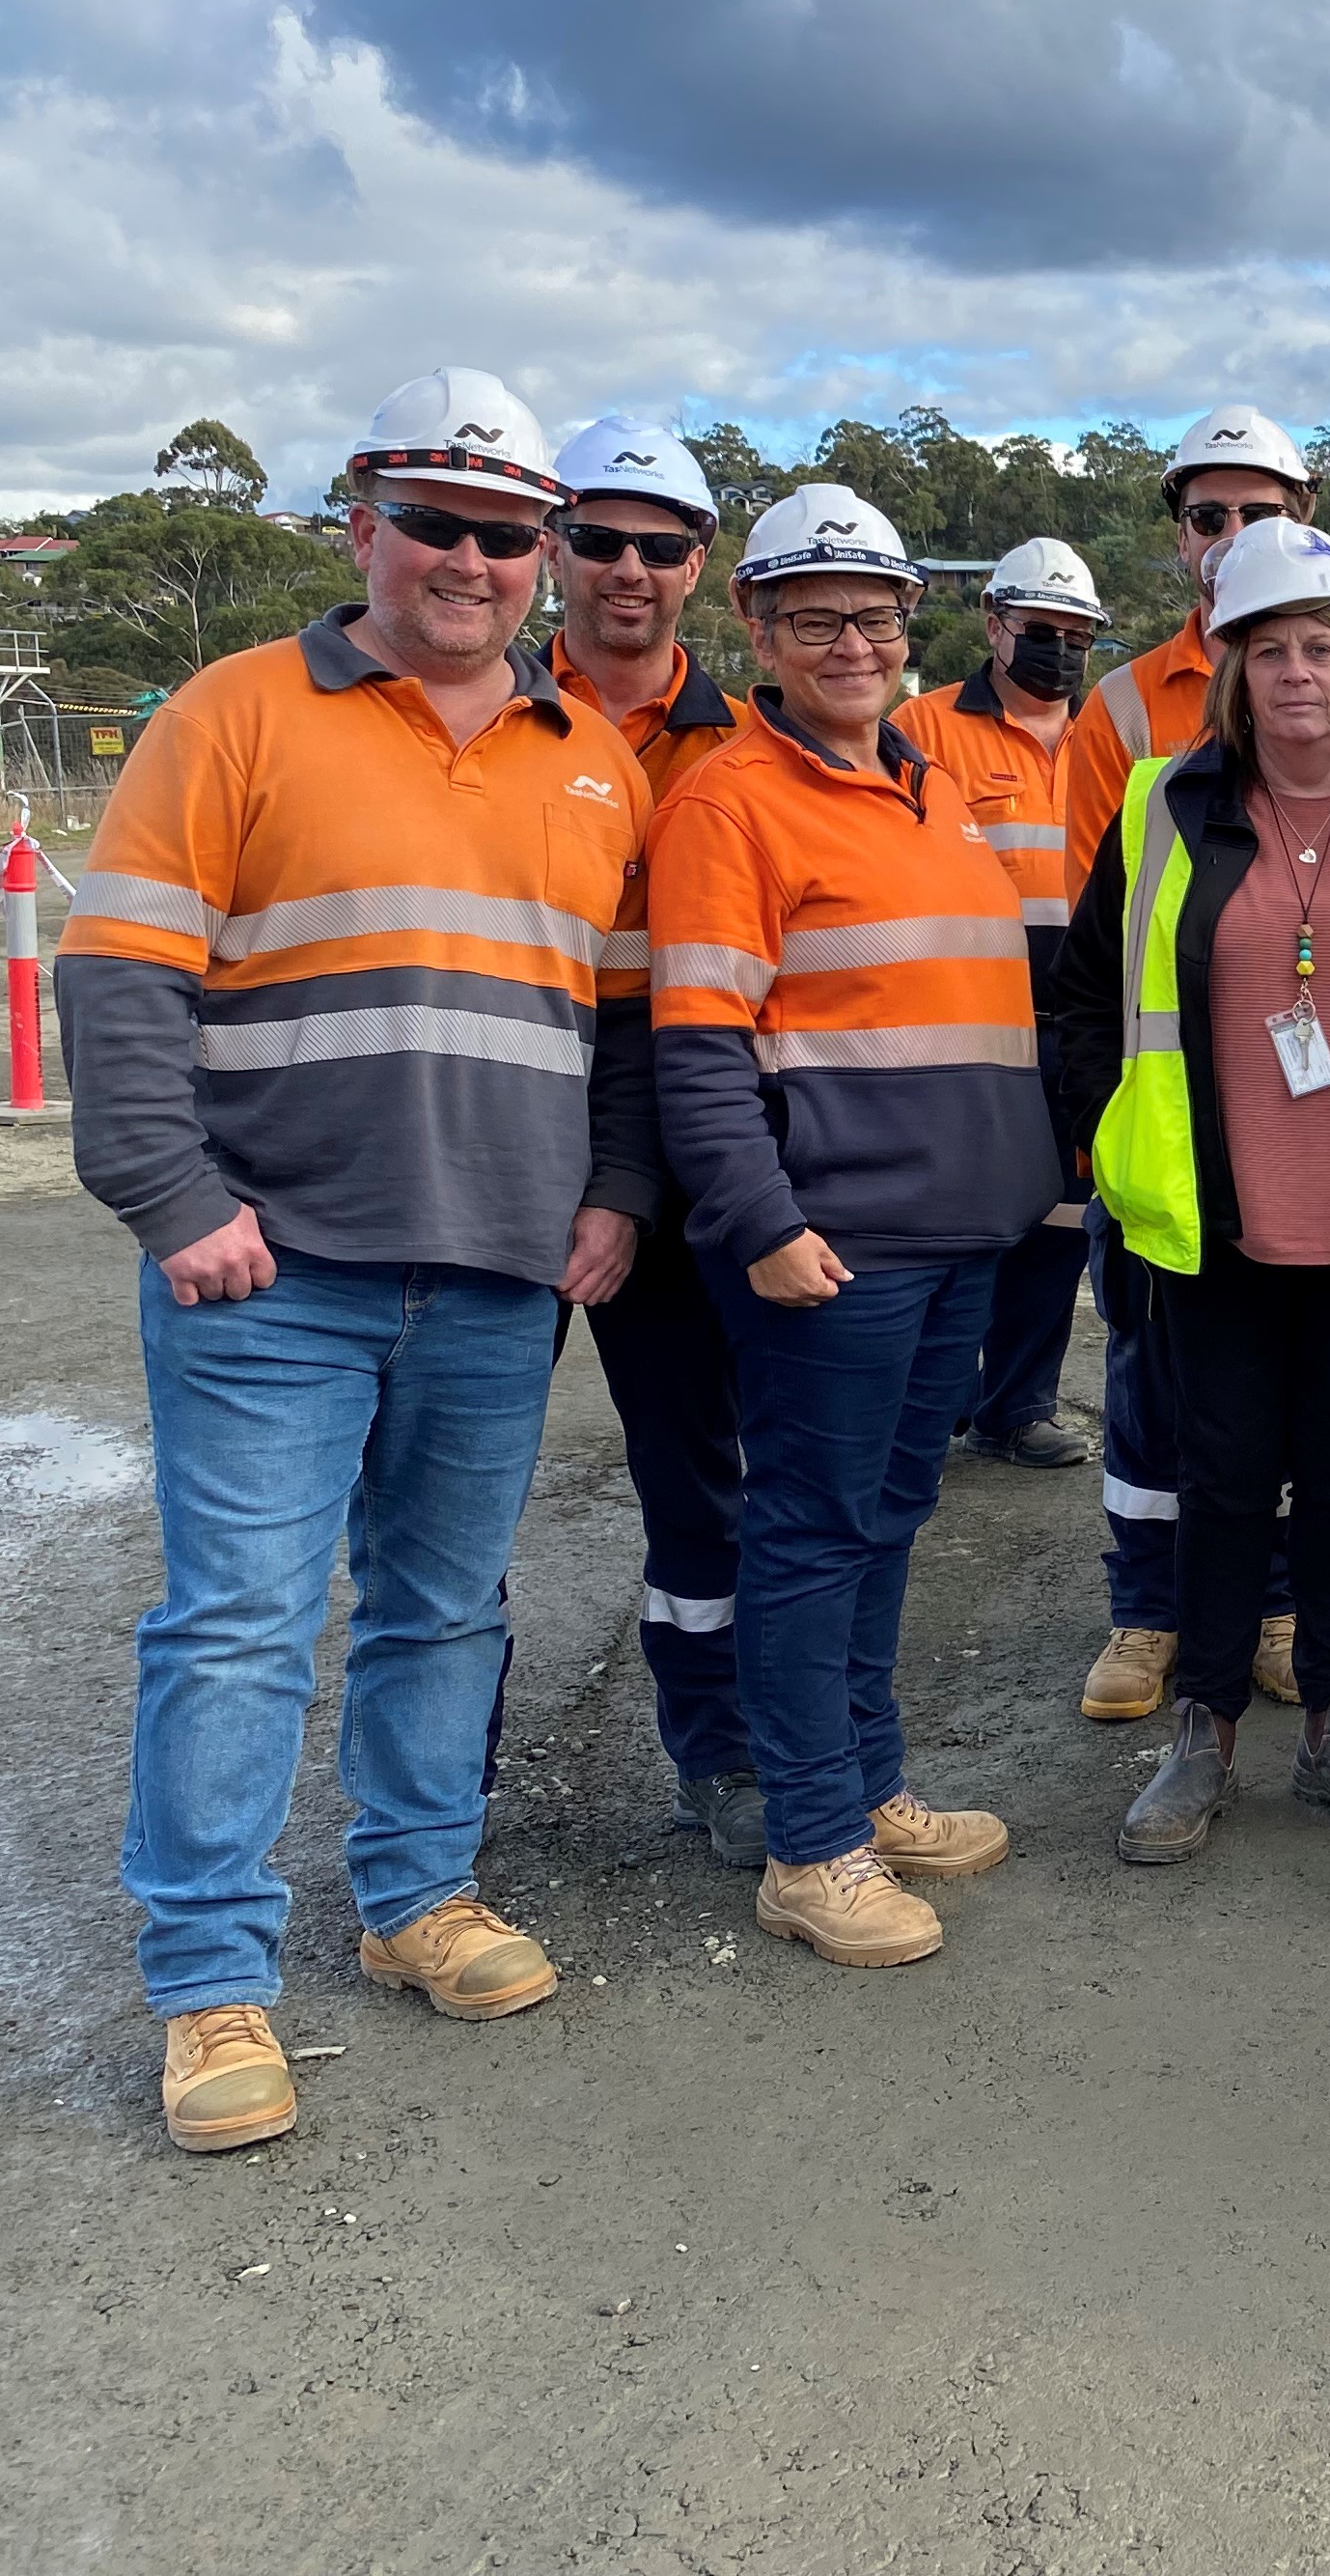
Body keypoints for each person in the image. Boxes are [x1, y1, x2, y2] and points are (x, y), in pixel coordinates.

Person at [62, 369, 652, 2154]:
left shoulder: (593, 760)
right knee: (237, 1625)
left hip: (493, 1271)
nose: (469, 560)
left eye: (504, 533)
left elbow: (621, 1028)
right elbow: (119, 978)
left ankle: (416, 1898)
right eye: (436, 522)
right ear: (362, 527)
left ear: (542, 557)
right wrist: (173, 1199)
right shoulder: (233, 714)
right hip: (271, 1268)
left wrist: (613, 1189)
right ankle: (210, 1979)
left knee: (444, 1606)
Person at [648, 484, 1050, 1970]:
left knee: (887, 1520)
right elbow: (696, 1042)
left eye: (874, 616)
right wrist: (759, 1220)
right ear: (753, 626)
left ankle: (869, 1791)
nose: (850, 644)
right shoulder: (728, 802)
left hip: (950, 1237)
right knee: (812, 1534)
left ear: (910, 627)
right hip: (833, 1245)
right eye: (814, 617)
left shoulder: (930, 781)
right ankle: (811, 1845)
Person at [1056, 520, 1330, 1868]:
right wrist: (1100, 1155)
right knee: (1224, 1480)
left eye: (1324, 647)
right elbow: (1081, 1002)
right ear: (1231, 673)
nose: (1297, 672)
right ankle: (1205, 1731)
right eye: (1268, 649)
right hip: (1212, 1221)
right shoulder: (1163, 805)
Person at [1068, 404, 1318, 1729]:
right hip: (1169, 1122)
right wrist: (1089, 1128)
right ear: (1180, 540)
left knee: (1293, 1382)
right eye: (1210, 516)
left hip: (1310, 1125)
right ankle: (1149, 1609)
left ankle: (1277, 1602)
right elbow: (1090, 940)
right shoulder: (1122, 707)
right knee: (1150, 1378)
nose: (1232, 536)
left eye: (1259, 512)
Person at [539, 414, 760, 1864]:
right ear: (554, 550)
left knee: (702, 1475)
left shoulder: (743, 748)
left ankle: (723, 1752)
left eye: (660, 546)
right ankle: (447, 1786)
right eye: (600, 539)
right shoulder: (480, 710)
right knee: (447, 1494)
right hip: (496, 1126)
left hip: (675, 1143)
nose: (629, 569)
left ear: (698, 569)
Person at [899, 537, 1107, 1472]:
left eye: (1074, 634)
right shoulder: (926, 729)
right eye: (1039, 630)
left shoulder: (1112, 735)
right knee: (961, 1217)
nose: (1057, 649)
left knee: (1062, 1222)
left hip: (1084, 1017)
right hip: (970, 1017)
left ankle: (1017, 1405)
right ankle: (934, 1396)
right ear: (994, 623)